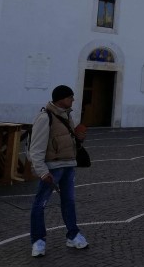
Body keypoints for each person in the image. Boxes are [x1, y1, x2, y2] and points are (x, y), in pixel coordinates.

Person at [28, 85, 89, 257]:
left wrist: (78, 138)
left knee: (69, 202)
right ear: (61, 99)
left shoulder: (67, 115)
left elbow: (67, 141)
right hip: (52, 168)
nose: (73, 100)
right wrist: (42, 171)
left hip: (68, 166)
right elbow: (36, 149)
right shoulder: (44, 117)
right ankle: (38, 241)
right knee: (40, 204)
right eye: (70, 97)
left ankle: (73, 235)